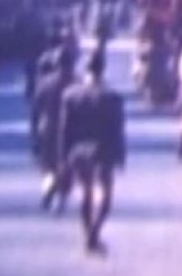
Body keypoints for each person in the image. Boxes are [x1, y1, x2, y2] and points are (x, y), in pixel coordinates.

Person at [58, 44, 126, 254]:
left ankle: (89, 233)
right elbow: (117, 129)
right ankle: (93, 233)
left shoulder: (71, 95)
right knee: (105, 199)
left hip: (79, 152)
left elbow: (64, 129)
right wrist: (120, 155)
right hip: (103, 152)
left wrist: (63, 158)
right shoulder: (113, 97)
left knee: (85, 193)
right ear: (102, 69)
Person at [32, 52, 75, 213]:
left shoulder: (44, 84)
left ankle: (48, 189)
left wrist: (35, 133)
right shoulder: (76, 82)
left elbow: (35, 110)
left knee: (48, 166)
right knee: (67, 168)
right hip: (71, 131)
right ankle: (60, 198)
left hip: (48, 128)